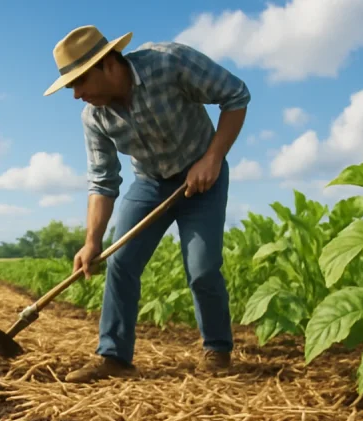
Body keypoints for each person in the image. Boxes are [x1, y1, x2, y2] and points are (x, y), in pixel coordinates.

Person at [43, 26, 251, 383]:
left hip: (203, 176)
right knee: (120, 261)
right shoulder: (95, 117)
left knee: (202, 266)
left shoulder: (169, 63)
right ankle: (114, 357)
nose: (76, 95)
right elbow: (103, 180)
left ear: (108, 64)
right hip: (150, 184)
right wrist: (92, 240)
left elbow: (235, 95)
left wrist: (213, 157)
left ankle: (217, 350)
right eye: (70, 87)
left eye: (80, 82)